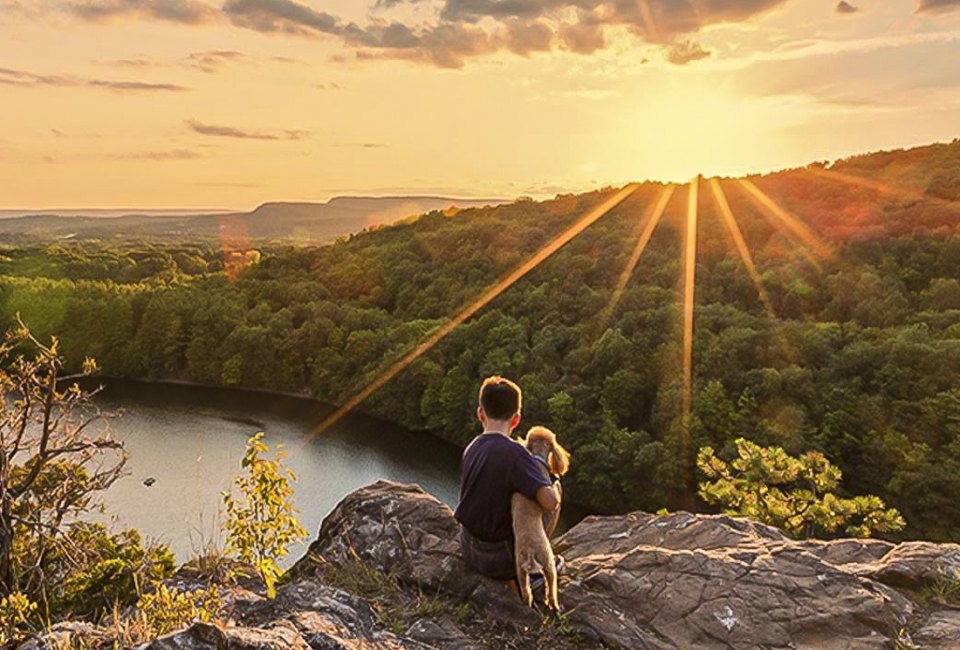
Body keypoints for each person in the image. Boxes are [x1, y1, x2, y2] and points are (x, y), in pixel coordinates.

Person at [454, 376, 562, 581]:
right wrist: (548, 482)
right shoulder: (516, 454)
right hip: (501, 560)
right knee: (555, 492)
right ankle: (536, 567)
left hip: (468, 548)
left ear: (480, 413)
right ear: (516, 419)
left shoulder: (471, 447)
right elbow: (550, 502)